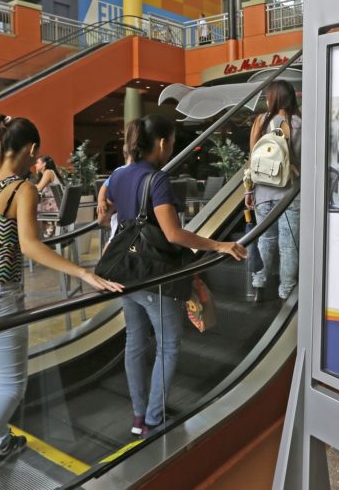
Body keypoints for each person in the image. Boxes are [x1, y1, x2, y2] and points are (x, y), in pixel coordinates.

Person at [0, 114, 123, 490]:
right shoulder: (21, 189)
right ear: (32, 150)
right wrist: (84, 273)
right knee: (11, 387)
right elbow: (31, 246)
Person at [105, 114, 246, 437]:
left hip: (125, 273)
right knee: (168, 345)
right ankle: (154, 418)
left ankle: (139, 415)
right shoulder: (157, 180)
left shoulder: (119, 175)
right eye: (171, 143)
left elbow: (109, 202)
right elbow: (173, 234)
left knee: (135, 343)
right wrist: (219, 244)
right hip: (154, 276)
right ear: (163, 142)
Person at [246, 79, 302, 300]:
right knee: (289, 245)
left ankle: (258, 284)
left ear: (272, 98)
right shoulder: (299, 123)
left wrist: (248, 192)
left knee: (265, 240)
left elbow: (252, 161)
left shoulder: (260, 121)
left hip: (262, 193)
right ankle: (286, 290)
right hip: (289, 194)